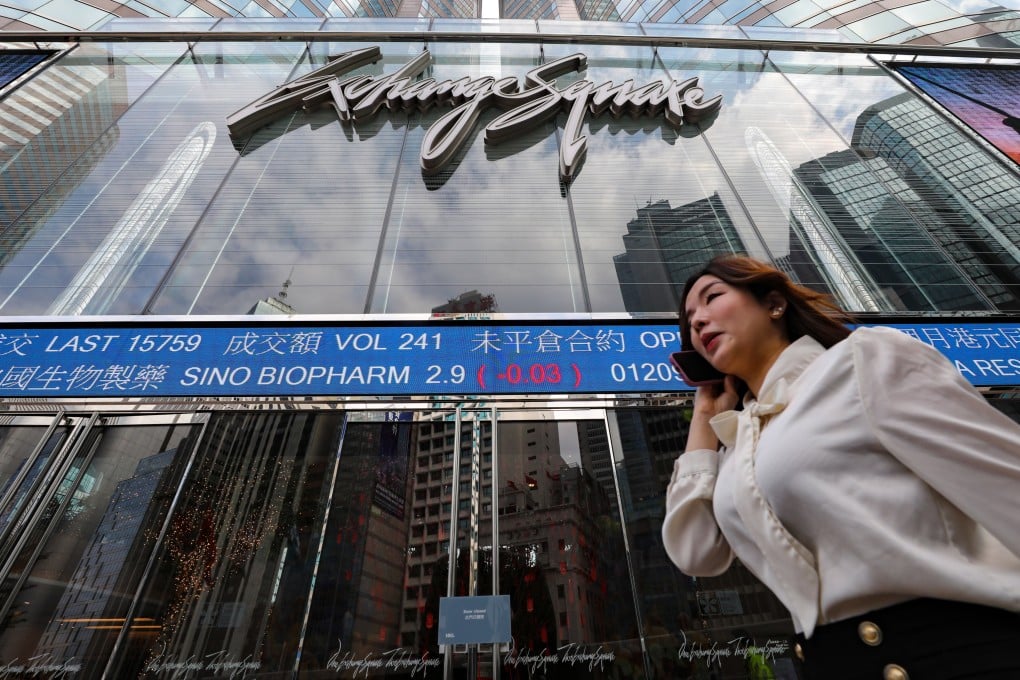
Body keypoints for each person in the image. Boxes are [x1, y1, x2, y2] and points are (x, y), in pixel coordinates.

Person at [661, 255, 1020, 680]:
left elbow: (1006, 482)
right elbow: (696, 552)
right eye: (689, 320)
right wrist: (704, 417)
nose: (698, 321)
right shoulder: (739, 443)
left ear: (774, 304)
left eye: (712, 298)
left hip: (957, 655)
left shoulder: (863, 359)